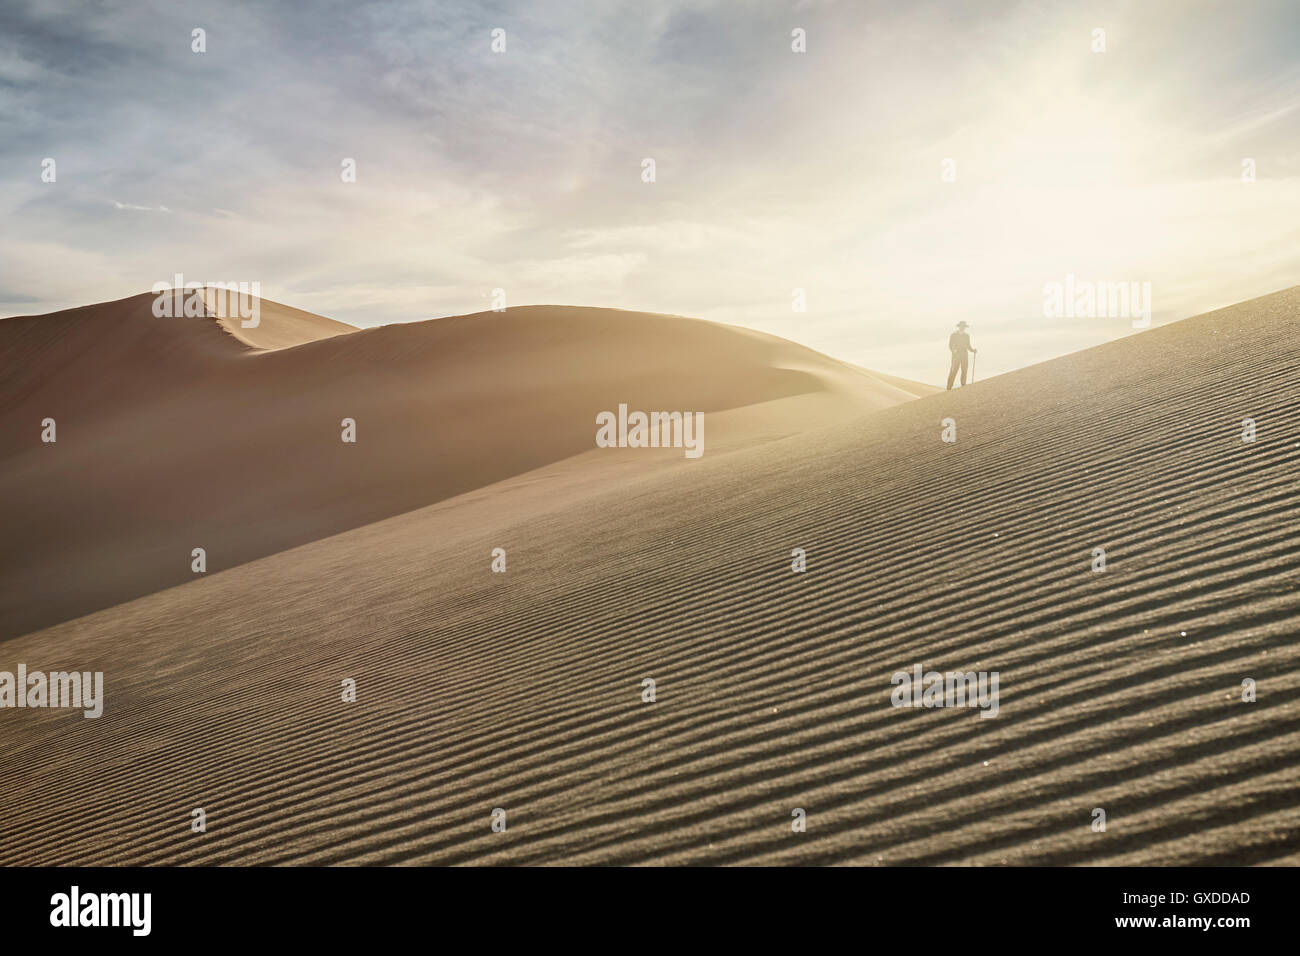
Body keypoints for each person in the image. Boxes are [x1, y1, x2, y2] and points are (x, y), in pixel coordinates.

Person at [946, 321, 977, 389]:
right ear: (959, 326)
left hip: (964, 355)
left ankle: (963, 385)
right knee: (954, 370)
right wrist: (954, 351)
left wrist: (972, 350)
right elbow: (950, 345)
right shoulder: (953, 335)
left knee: (964, 370)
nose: (962, 328)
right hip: (956, 355)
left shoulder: (966, 336)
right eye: (961, 326)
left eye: (964, 326)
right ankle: (949, 387)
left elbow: (968, 345)